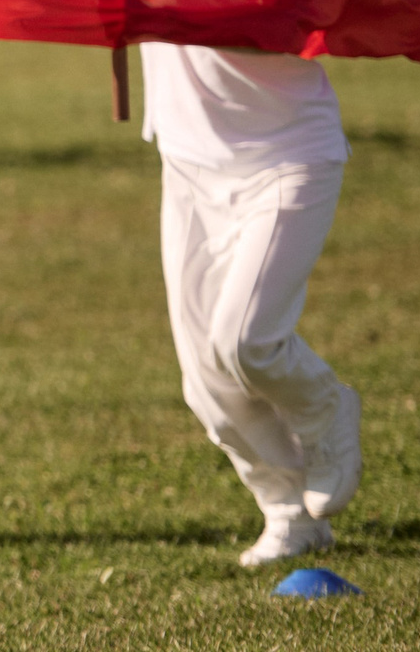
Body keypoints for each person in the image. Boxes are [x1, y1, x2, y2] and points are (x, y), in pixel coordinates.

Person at [141, 42, 364, 567]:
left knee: (247, 341)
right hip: (188, 163)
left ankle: (324, 407)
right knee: (204, 385)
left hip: (287, 154)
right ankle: (288, 509)